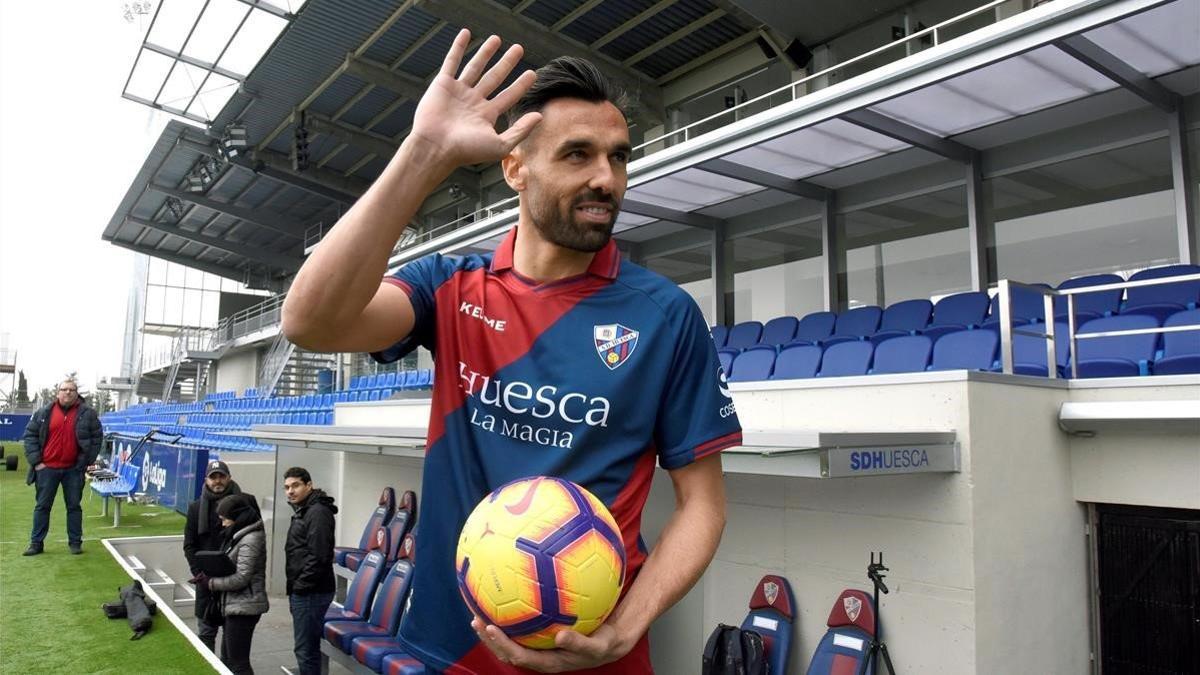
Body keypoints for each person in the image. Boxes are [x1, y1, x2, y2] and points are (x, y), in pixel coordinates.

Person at [281, 30, 742, 674]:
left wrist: (627, 626)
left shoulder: (666, 315)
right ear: (515, 167)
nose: (606, 179)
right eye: (577, 154)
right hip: (450, 646)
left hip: (596, 657)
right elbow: (310, 321)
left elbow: (704, 505)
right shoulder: (449, 286)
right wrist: (425, 152)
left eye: (618, 157)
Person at [22, 378, 104, 556]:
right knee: (42, 506)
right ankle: (36, 544)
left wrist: (84, 462)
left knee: (74, 507)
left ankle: (75, 543)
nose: (68, 392)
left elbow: (97, 438)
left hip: (73, 470)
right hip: (47, 469)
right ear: (57, 393)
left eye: (72, 390)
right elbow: (30, 436)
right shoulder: (44, 412)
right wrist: (37, 462)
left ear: (76, 394)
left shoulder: (87, 414)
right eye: (64, 389)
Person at [183, 459, 249, 653]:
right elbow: (189, 545)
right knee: (205, 636)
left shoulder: (244, 505)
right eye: (213, 477)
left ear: (229, 478)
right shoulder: (195, 508)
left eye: (221, 476)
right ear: (206, 480)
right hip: (206, 583)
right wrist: (199, 574)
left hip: (234, 583)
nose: (217, 481)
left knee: (232, 642)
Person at [201, 493, 269, 675]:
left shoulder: (251, 538)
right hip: (237, 606)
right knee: (229, 660)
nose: (223, 524)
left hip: (245, 608)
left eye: (225, 519)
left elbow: (242, 577)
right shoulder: (241, 535)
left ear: (237, 517)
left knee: (238, 664)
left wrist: (211, 583)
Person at [282, 467, 338, 675]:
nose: (290, 491)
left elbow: (319, 556)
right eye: (287, 487)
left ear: (309, 485)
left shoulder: (317, 513)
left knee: (306, 649)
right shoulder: (306, 510)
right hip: (306, 590)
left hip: (311, 592)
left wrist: (300, 587)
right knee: (308, 647)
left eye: (295, 485)